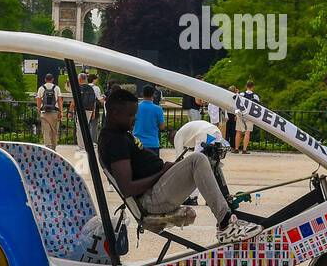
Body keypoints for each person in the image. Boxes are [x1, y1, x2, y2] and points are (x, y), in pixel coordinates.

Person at [99, 88, 259, 243]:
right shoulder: (114, 141)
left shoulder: (120, 135)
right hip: (152, 200)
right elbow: (127, 188)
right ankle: (226, 225)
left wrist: (165, 170)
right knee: (197, 159)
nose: (134, 119)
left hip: (157, 189)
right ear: (114, 113)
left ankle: (228, 214)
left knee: (208, 157)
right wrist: (161, 172)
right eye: (130, 115)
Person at [133, 85, 165, 155]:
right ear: (153, 94)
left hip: (137, 142)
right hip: (152, 143)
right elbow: (162, 127)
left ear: (142, 94)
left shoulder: (136, 107)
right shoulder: (158, 109)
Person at [35, 74, 62, 149]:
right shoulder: (56, 88)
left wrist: (38, 109)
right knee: (54, 130)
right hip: (54, 111)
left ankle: (48, 146)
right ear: (52, 79)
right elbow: (59, 100)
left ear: (45, 79)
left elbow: (38, 99)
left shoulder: (41, 88)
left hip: (44, 112)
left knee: (46, 130)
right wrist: (61, 111)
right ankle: (54, 146)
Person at [235, 80, 259, 154]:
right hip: (249, 115)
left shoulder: (241, 94)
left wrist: (236, 114)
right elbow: (257, 107)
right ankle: (244, 149)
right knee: (247, 133)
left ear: (246, 86)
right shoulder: (255, 96)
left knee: (238, 132)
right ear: (253, 87)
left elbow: (237, 104)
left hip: (240, 114)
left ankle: (236, 148)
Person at [87, 74, 104, 143]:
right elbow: (100, 99)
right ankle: (93, 141)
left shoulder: (85, 86)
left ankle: (86, 141)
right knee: (94, 126)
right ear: (94, 79)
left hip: (85, 108)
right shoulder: (96, 88)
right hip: (94, 108)